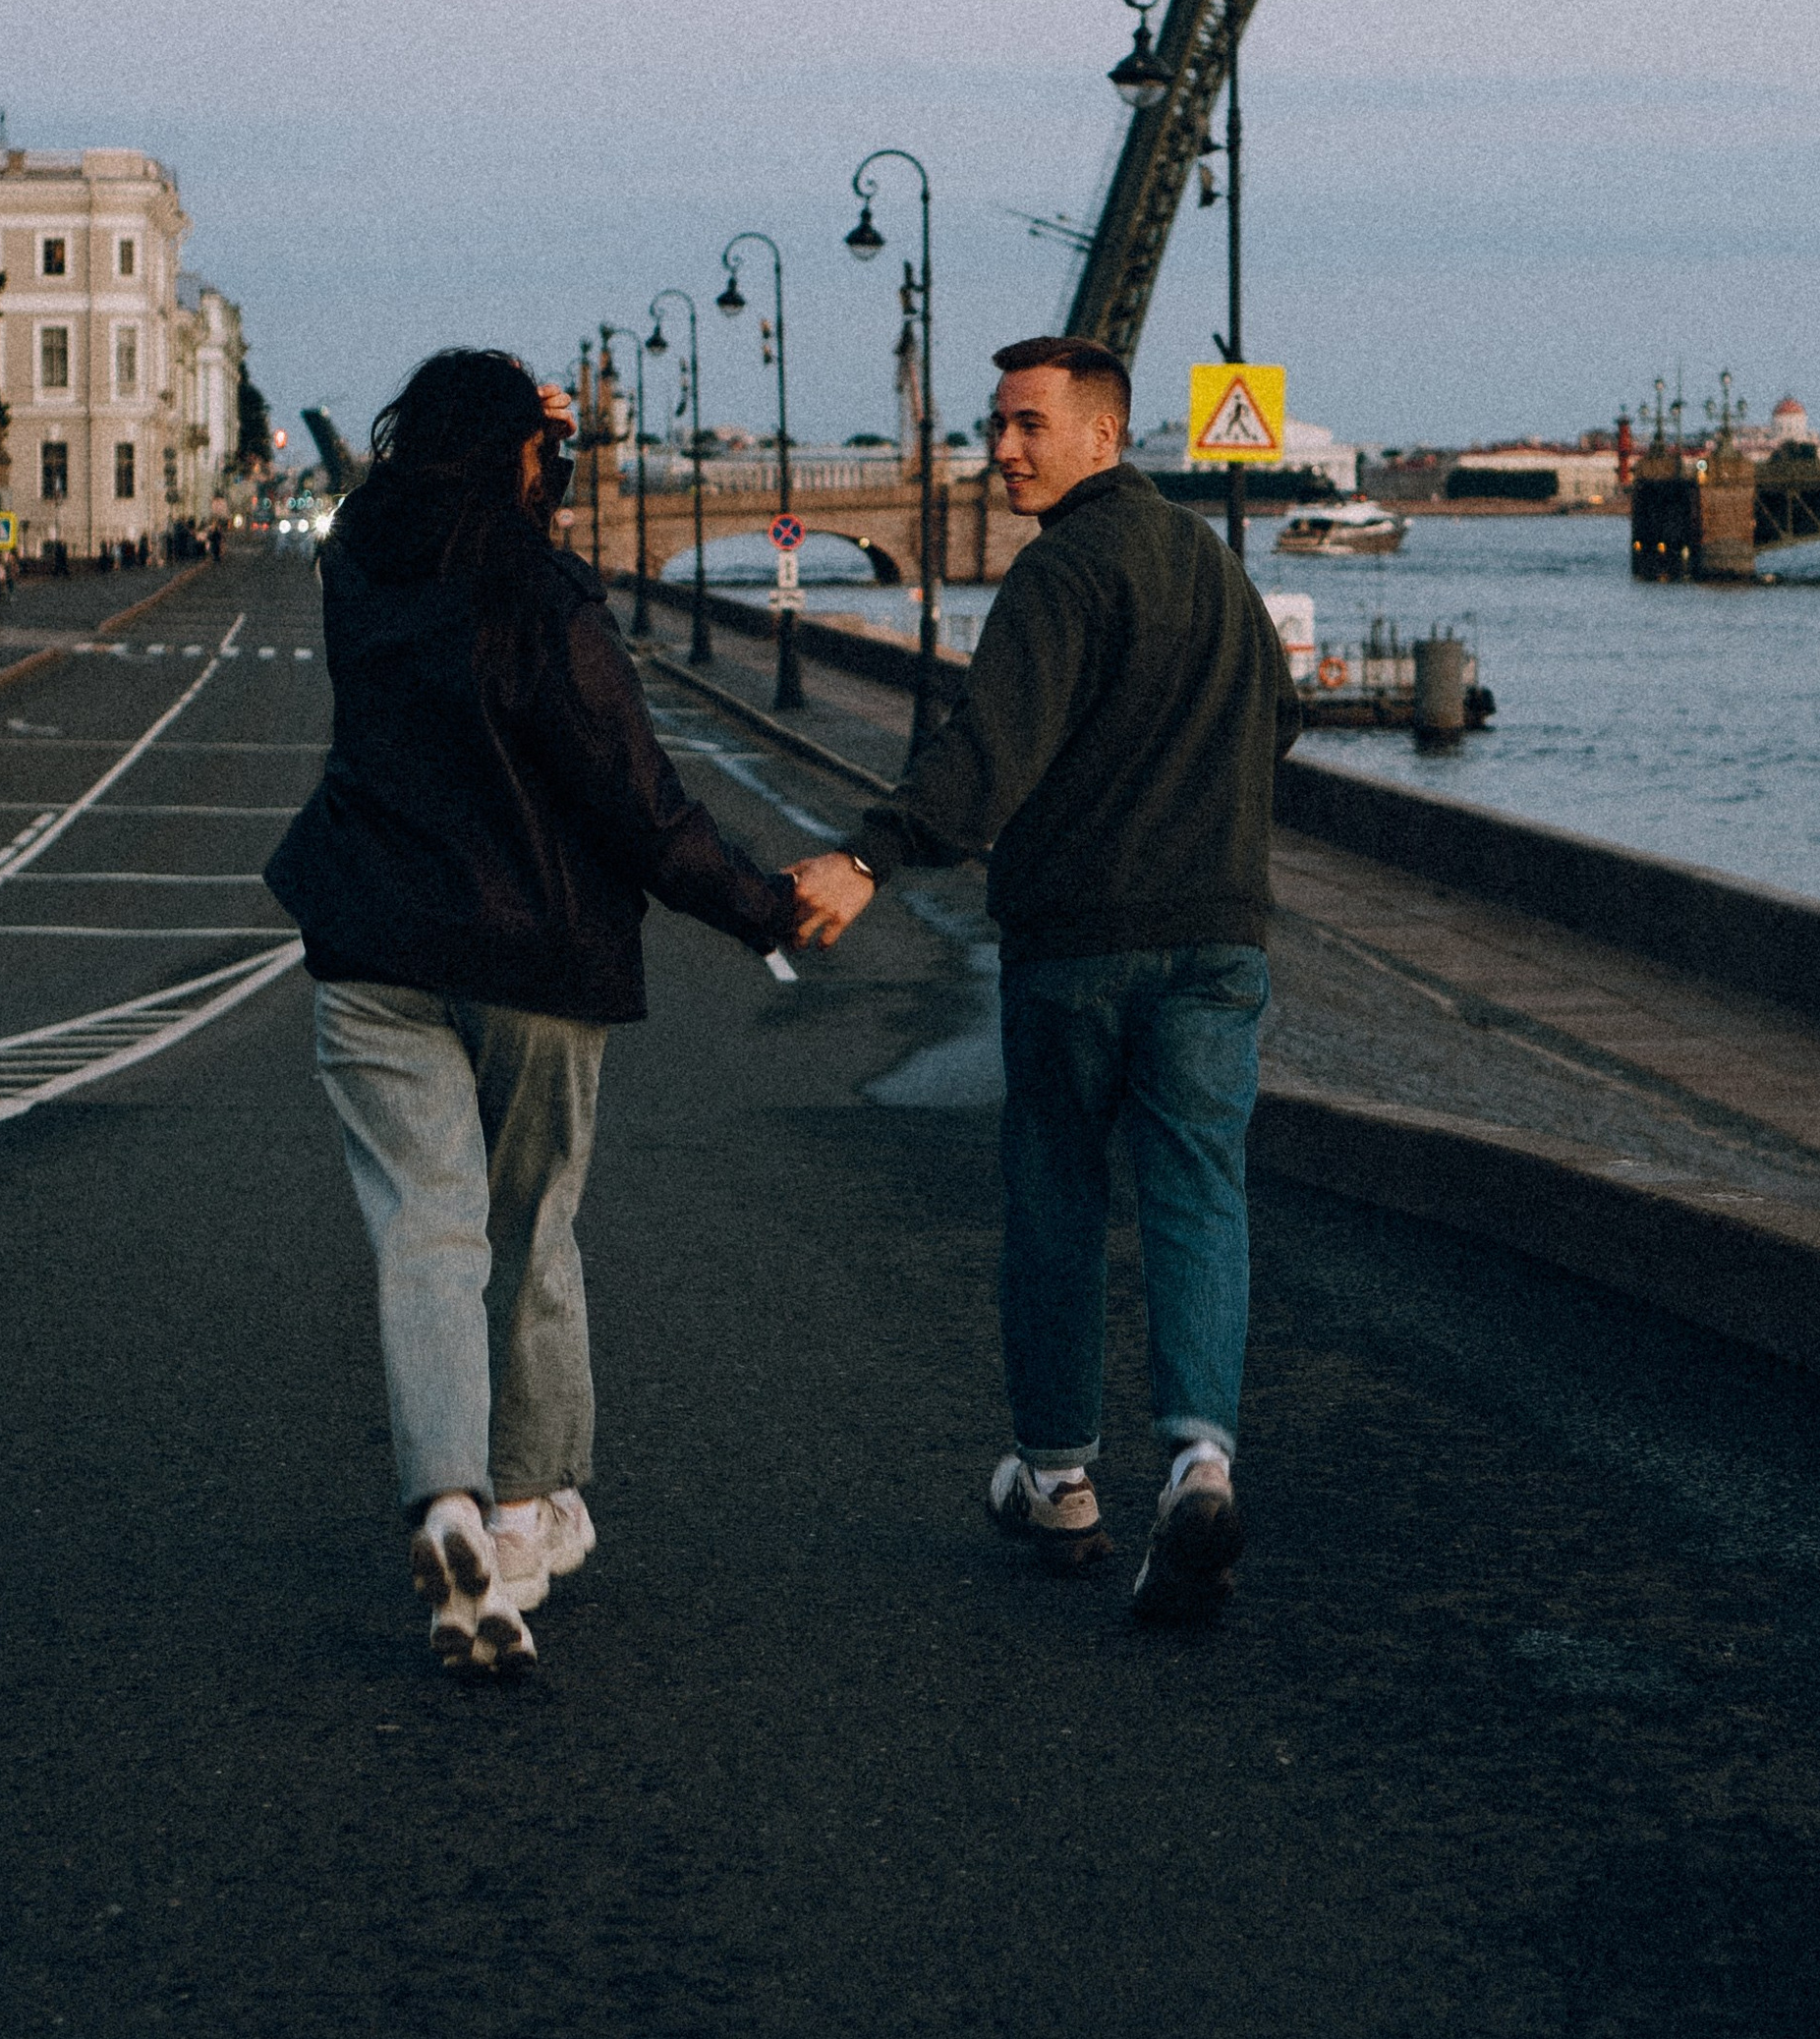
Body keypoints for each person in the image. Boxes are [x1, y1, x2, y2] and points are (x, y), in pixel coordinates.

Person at [267, 347, 797, 1675]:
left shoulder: (359, 573)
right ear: (515, 458)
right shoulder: (539, 595)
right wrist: (763, 906)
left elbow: (402, 518)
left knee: (427, 1236)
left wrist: (523, 441)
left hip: (369, 946)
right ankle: (517, 1514)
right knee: (529, 1225)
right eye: (540, 455)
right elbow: (635, 797)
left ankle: (441, 1493)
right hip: (529, 956)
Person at [787, 332, 1297, 1624]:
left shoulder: (1065, 571)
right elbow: (1277, 721)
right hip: (1224, 934)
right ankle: (1199, 1463)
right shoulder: (1217, 570)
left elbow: (987, 751)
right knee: (1199, 1195)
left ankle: (1062, 1479)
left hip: (1083, 939)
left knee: (1061, 1195)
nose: (1000, 450)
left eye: (1026, 427)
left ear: (1104, 437)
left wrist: (870, 857)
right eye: (995, 426)